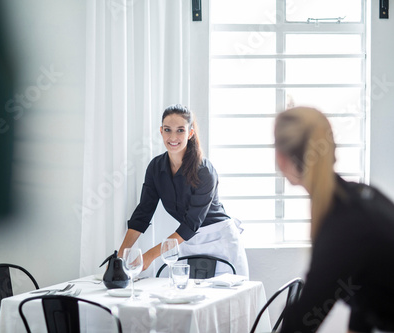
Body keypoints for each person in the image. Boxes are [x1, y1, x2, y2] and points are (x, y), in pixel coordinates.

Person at [275, 107, 394, 333]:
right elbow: (365, 284)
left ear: (282, 159)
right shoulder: (358, 198)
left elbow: (302, 322)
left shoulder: (342, 226)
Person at [117, 104, 249, 277]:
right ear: (161, 132)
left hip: (219, 239)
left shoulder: (204, 171)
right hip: (187, 239)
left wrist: (149, 256)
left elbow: (191, 224)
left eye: (180, 130)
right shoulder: (155, 168)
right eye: (167, 130)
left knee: (227, 301)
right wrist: (119, 257)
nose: (173, 136)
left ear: (190, 133)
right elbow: (143, 213)